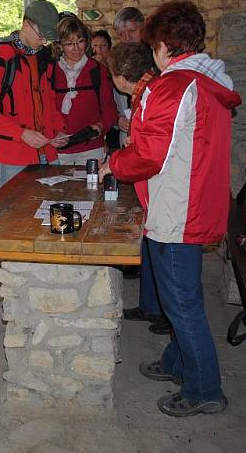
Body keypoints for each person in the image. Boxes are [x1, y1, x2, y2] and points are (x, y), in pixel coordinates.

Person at [101, 1, 241, 417]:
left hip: (179, 208)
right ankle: (177, 361)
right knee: (180, 295)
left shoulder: (172, 87)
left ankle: (204, 390)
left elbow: (149, 154)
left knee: (182, 303)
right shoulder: (202, 81)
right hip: (191, 200)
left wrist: (115, 163)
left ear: (162, 45)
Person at [105, 42, 170, 335]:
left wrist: (116, 163)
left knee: (169, 269)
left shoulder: (149, 94)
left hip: (165, 192)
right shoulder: (147, 90)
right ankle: (153, 308)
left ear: (120, 76)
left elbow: (149, 153)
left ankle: (164, 315)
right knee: (153, 253)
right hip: (161, 189)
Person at [0, 0, 67, 187]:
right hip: (13, 158)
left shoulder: (45, 58)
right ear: (26, 24)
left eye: (48, 38)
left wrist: (59, 130)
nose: (43, 42)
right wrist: (21, 134)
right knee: (15, 216)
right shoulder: (0, 59)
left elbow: (50, 103)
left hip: (49, 153)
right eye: (41, 35)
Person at [52, 15, 117, 166]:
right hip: (58, 149)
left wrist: (101, 126)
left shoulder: (97, 71)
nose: (76, 48)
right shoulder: (50, 72)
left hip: (91, 149)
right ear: (60, 45)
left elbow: (109, 108)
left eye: (80, 41)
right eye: (69, 43)